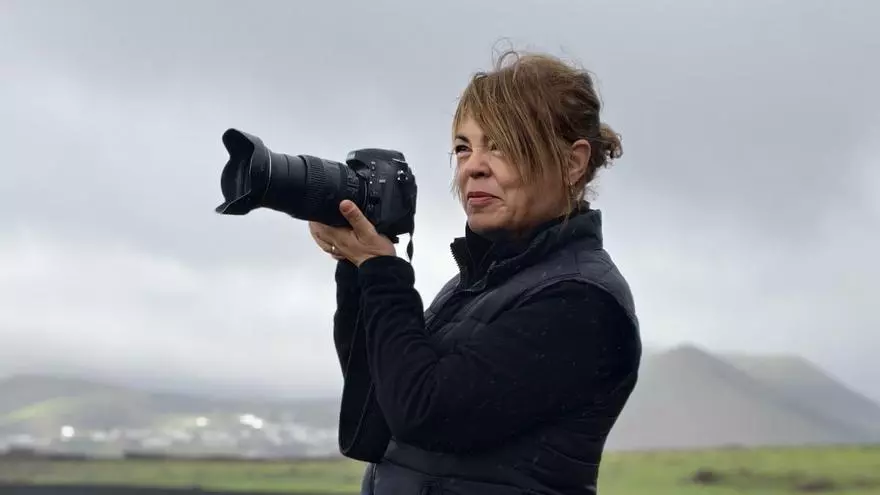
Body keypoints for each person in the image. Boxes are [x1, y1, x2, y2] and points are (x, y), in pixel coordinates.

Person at [308, 50, 641, 495]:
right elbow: (379, 392)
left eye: (502, 143)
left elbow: (425, 412)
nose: (473, 166)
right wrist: (357, 268)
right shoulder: (482, 284)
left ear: (572, 163)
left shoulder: (581, 301)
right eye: (464, 147)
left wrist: (382, 269)